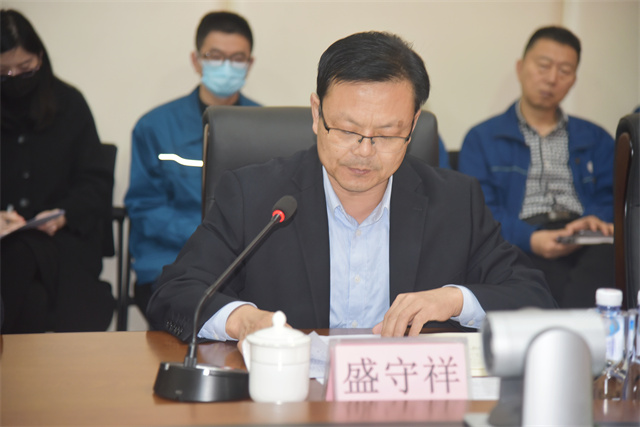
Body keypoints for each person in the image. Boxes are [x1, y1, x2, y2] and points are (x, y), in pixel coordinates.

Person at [147, 31, 555, 346]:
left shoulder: (453, 201)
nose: (363, 151)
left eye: (387, 134)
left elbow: (534, 297)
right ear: (316, 113)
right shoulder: (253, 195)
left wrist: (452, 299)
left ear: (414, 125)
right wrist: (243, 321)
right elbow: (174, 293)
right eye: (346, 130)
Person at [459, 26, 615, 308]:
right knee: (521, 272)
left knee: (612, 257)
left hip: (585, 239)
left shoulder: (597, 138)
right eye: (544, 66)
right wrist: (530, 239)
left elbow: (615, 196)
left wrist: (593, 220)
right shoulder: (482, 138)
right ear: (520, 68)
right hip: (520, 238)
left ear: (573, 80)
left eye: (564, 71)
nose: (552, 78)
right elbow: (479, 211)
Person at [125, 11, 260, 315]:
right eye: (215, 56)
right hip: (172, 263)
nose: (227, 66)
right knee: (199, 320)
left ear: (250, 63)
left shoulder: (266, 127)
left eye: (237, 58)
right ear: (196, 60)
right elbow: (145, 208)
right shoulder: (155, 126)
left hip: (245, 266)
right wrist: (211, 235)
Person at [0, 9, 115, 333]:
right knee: (28, 289)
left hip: (64, 239)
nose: (15, 78)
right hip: (5, 246)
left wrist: (64, 214)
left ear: (40, 57)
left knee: (32, 281)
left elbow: (96, 181)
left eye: (25, 69)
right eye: (4, 73)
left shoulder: (69, 104)